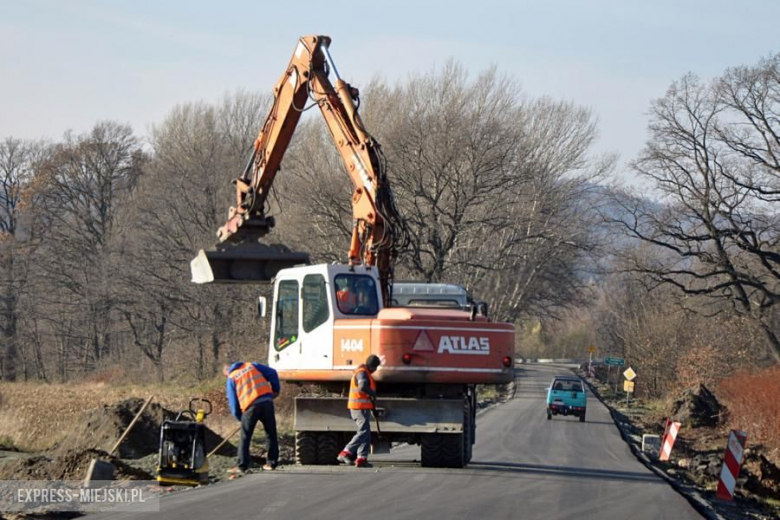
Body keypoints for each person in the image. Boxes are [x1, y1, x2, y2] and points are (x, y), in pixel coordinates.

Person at [224, 361, 280, 476]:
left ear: (226, 371)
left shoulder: (231, 378)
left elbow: (233, 404)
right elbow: (273, 372)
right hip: (266, 402)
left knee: (245, 437)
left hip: (251, 407)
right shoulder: (251, 365)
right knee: (271, 433)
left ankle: (242, 465)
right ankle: (271, 463)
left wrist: (240, 418)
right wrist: (275, 390)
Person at [337, 354, 381, 468]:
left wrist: (373, 408)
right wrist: (373, 393)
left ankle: (362, 459)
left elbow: (366, 396)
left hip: (363, 407)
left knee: (366, 434)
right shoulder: (362, 373)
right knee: (363, 432)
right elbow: (362, 387)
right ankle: (345, 452)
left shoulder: (364, 372)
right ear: (373, 367)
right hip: (358, 407)